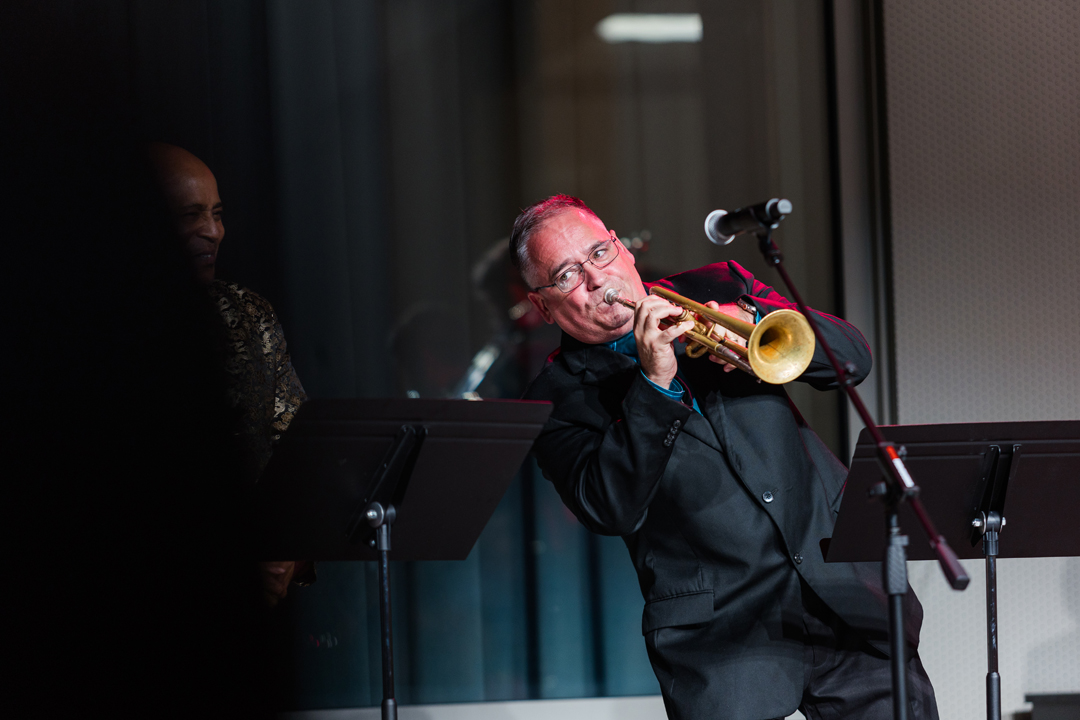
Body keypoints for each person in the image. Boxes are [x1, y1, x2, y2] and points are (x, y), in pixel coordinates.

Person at [513, 195, 937, 720]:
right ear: (542, 305)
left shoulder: (720, 285)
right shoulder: (552, 401)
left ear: (624, 250)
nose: (597, 279)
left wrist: (756, 316)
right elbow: (609, 507)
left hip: (842, 591)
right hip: (721, 641)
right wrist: (654, 384)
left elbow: (851, 360)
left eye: (600, 253)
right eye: (567, 275)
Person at [149, 143, 312, 605]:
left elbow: (300, 462)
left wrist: (287, 556)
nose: (212, 231)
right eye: (190, 215)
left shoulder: (247, 315)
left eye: (217, 214)